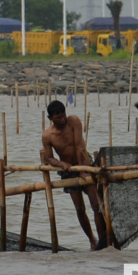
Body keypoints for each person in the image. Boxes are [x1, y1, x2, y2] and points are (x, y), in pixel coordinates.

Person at [42, 100, 108, 250]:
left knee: (97, 206)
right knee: (79, 208)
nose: (62, 119)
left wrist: (83, 170)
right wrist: (62, 164)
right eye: (58, 117)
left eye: (63, 115)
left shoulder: (73, 121)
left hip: (84, 164)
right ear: (50, 118)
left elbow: (80, 145)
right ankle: (92, 240)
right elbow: (49, 158)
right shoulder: (47, 135)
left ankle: (104, 242)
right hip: (68, 172)